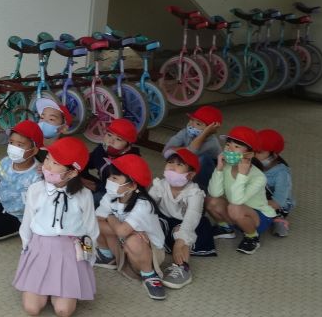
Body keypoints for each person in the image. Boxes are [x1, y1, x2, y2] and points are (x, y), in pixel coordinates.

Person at [14, 137, 99, 317]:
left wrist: (88, 258)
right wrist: (26, 249)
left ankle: (60, 289)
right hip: (40, 248)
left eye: (55, 163)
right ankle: (45, 287)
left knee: (64, 311)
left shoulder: (84, 195)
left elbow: (90, 229)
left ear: (72, 173)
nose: (47, 166)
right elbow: (27, 222)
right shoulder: (36, 190)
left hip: (70, 252)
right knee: (32, 309)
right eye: (47, 159)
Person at [95, 154, 167, 300]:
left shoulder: (143, 204)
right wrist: (120, 228)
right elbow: (98, 219)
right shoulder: (111, 196)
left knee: (133, 240)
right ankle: (107, 256)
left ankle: (149, 274)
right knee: (96, 224)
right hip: (123, 241)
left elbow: (122, 231)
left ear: (133, 185)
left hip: (150, 251)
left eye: (115, 178)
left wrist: (111, 217)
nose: (109, 181)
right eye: (110, 177)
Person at [205, 126, 275, 254]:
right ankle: (226, 228)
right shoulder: (226, 167)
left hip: (258, 216)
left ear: (250, 154)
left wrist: (242, 175)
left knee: (234, 208)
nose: (229, 149)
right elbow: (215, 193)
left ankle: (252, 237)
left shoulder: (259, 177)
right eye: (228, 144)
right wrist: (219, 169)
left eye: (236, 146)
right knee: (210, 200)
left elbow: (236, 200)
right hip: (236, 210)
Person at [148, 148, 210, 288]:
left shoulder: (194, 192)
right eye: (170, 162)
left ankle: (182, 267)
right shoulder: (160, 185)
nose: (172, 167)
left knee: (181, 232)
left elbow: (191, 219)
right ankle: (149, 261)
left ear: (190, 174)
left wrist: (180, 241)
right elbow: (148, 205)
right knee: (151, 224)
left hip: (187, 224)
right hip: (165, 221)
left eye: (179, 164)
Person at [162, 105, 222, 190]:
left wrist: (204, 134)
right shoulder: (185, 132)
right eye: (191, 120)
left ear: (210, 130)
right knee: (175, 159)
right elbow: (166, 151)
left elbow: (189, 154)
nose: (191, 125)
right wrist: (178, 151)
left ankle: (201, 190)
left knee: (202, 159)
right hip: (190, 167)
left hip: (206, 173)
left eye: (198, 124)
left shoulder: (212, 143)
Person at [82, 118, 141, 202]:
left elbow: (116, 189)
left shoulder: (131, 163)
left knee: (93, 198)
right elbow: (85, 162)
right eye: (109, 135)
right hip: (103, 185)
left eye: (118, 139)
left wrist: (91, 185)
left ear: (128, 145)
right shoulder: (101, 150)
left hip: (118, 195)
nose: (110, 141)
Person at [256, 129, 295, 237]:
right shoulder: (253, 163)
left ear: (273, 155)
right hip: (256, 198)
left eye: (259, 152)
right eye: (252, 150)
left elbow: (278, 202)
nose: (253, 155)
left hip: (277, 205)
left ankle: (278, 219)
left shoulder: (282, 173)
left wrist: (251, 204)